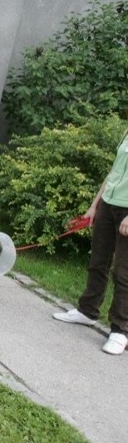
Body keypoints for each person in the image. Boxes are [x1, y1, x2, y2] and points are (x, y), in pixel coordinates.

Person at [53, 129, 128, 355]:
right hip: (108, 203)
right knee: (98, 261)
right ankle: (87, 311)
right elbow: (114, 172)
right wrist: (95, 205)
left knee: (123, 272)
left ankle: (120, 330)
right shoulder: (125, 131)